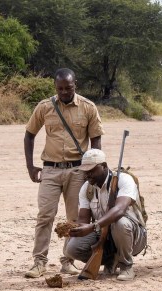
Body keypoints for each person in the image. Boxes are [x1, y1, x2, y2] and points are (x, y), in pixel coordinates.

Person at [24, 68, 104, 278]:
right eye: (60, 89)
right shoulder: (44, 107)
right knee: (45, 216)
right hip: (50, 169)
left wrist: (95, 171)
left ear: (75, 84)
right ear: (55, 87)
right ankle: (39, 262)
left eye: (68, 88)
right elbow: (29, 135)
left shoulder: (88, 107)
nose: (64, 92)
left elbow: (96, 141)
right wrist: (30, 166)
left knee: (75, 218)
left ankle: (67, 261)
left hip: (78, 170)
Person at [64, 149, 147, 281]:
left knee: (119, 222)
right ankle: (110, 260)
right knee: (72, 248)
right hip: (103, 233)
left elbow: (119, 210)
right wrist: (77, 229)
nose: (87, 174)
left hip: (133, 235)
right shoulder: (86, 188)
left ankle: (126, 266)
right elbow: (84, 219)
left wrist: (93, 226)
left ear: (104, 166)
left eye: (91, 170)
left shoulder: (124, 179)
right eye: (85, 171)